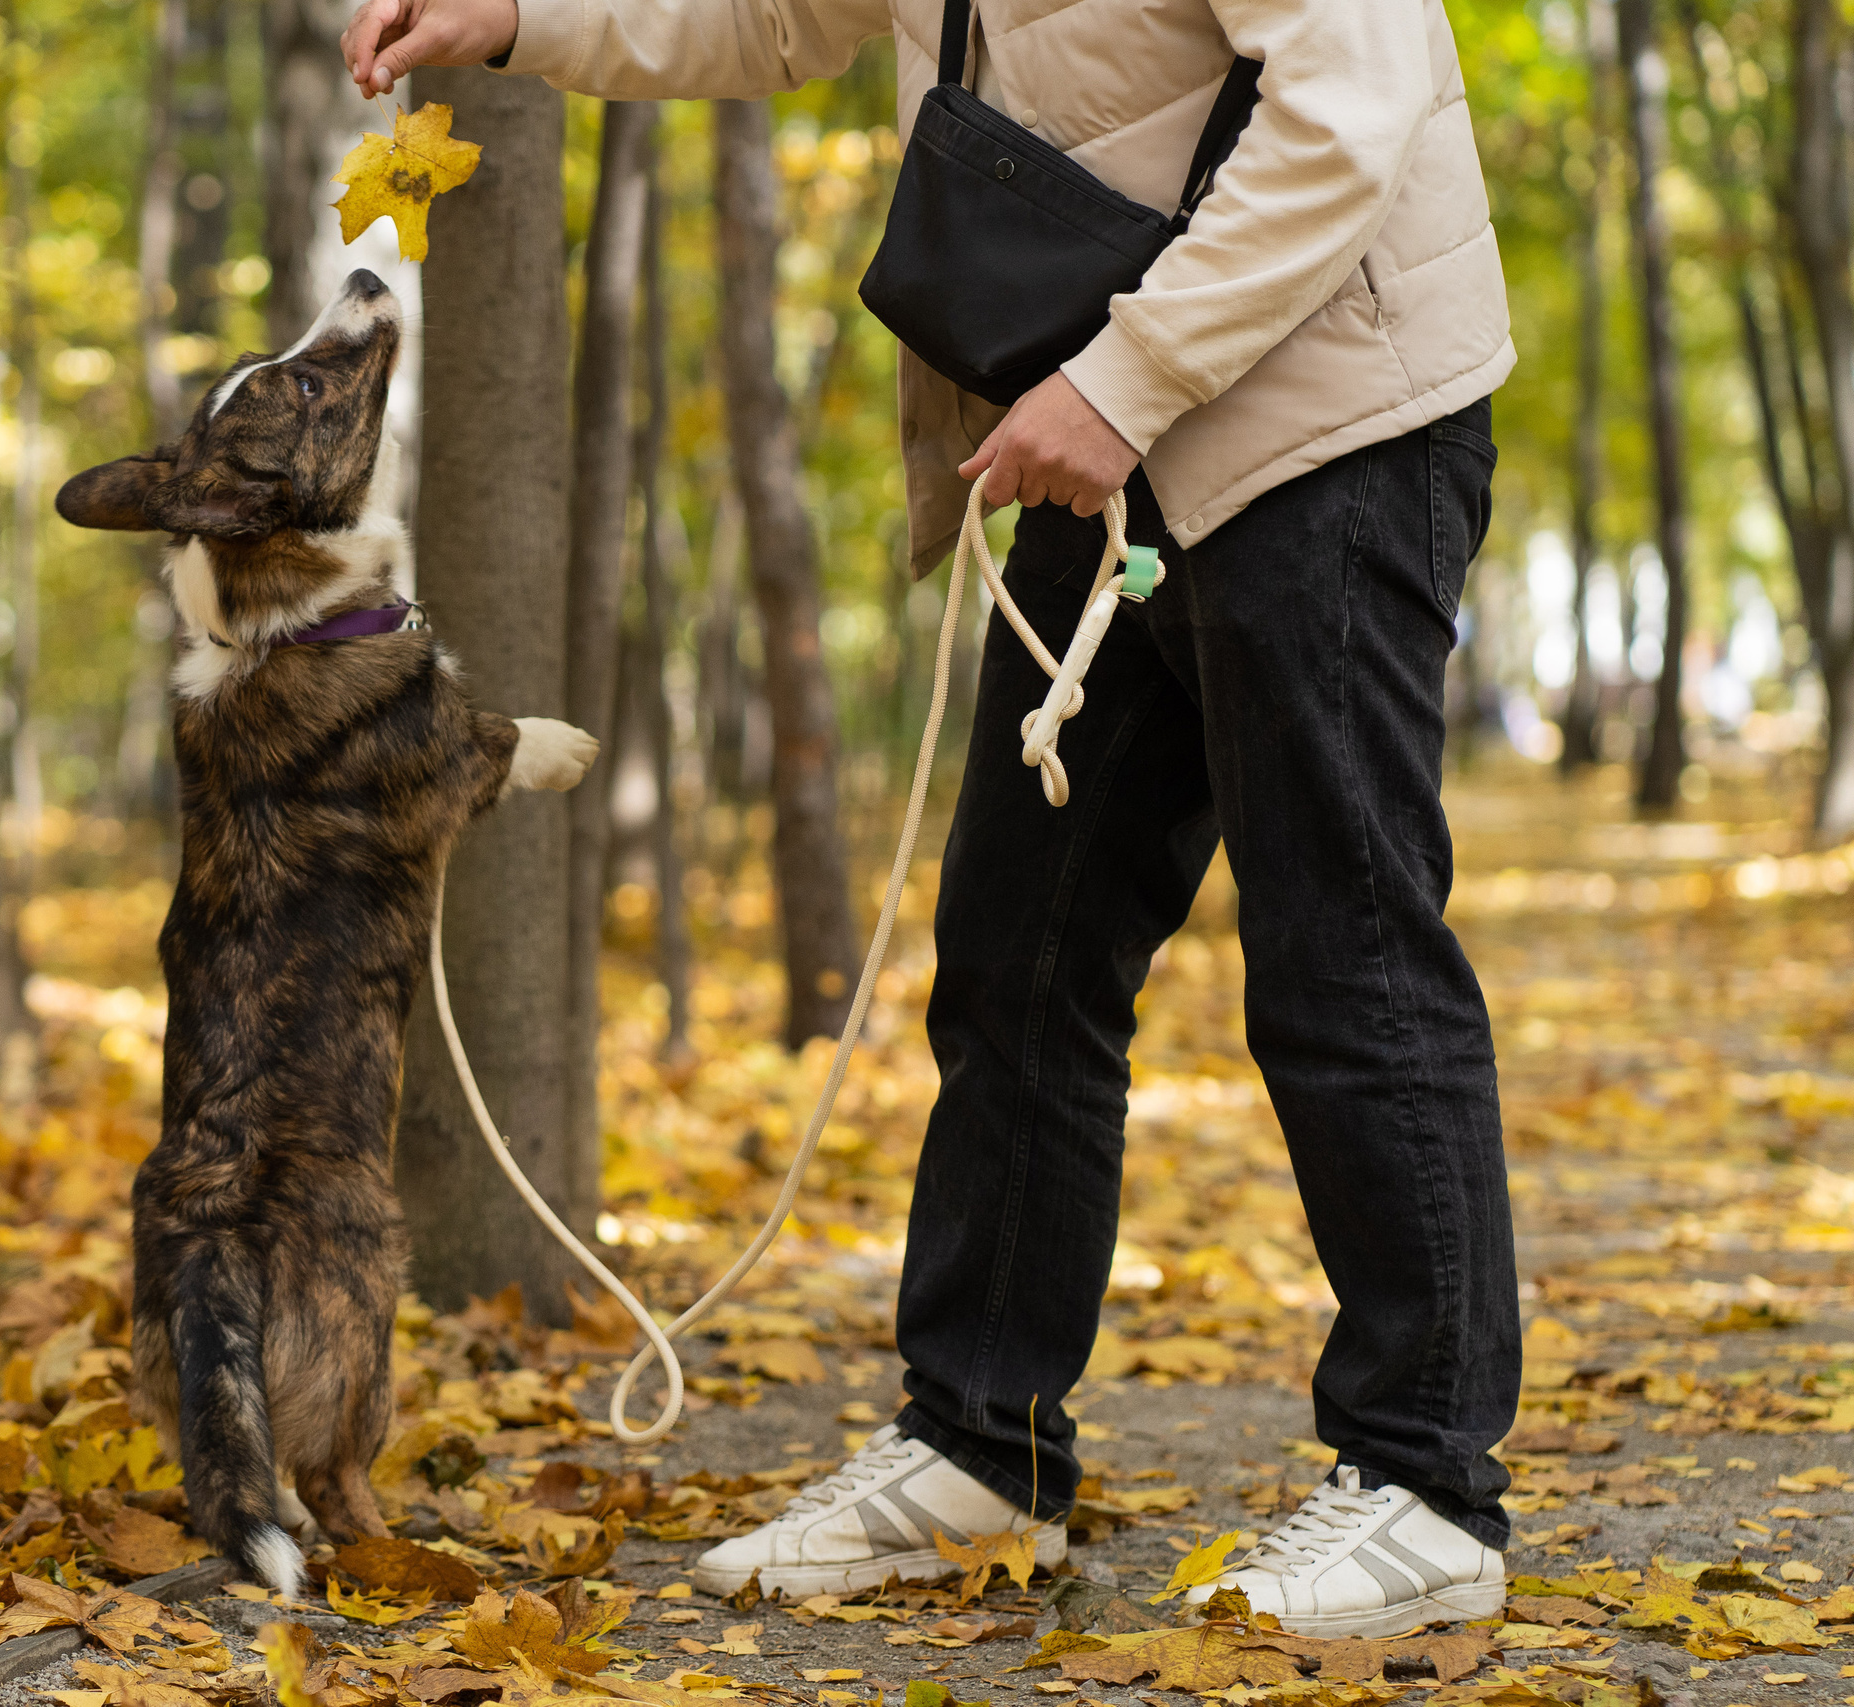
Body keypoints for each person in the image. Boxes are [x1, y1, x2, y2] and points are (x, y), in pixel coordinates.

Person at [343, 0, 1521, 1640]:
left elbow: (1355, 99)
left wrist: (1123, 383)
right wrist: (519, 18)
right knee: (1017, 960)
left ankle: (1426, 1487)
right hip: (1104, 436)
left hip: (1316, 418)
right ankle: (983, 1449)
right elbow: (766, 15)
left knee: (1346, 953)